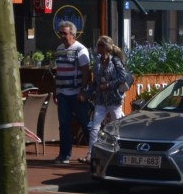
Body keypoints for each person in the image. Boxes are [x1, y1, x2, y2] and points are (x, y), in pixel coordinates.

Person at [85, 36, 131, 163]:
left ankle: (121, 151)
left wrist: (108, 85)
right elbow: (95, 81)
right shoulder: (98, 61)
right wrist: (87, 93)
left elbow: (123, 77)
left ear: (105, 47)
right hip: (101, 99)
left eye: (99, 45)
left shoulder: (115, 61)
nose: (97, 48)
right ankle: (90, 154)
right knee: (95, 127)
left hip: (114, 99)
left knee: (118, 127)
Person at [53, 21, 91, 165]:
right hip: (62, 93)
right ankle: (64, 155)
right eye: (60, 33)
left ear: (73, 34)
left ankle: (93, 152)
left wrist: (82, 91)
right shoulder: (59, 49)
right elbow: (58, 71)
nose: (62, 36)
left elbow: (86, 72)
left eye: (65, 33)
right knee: (64, 124)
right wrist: (55, 90)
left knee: (85, 123)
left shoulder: (81, 50)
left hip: (76, 93)